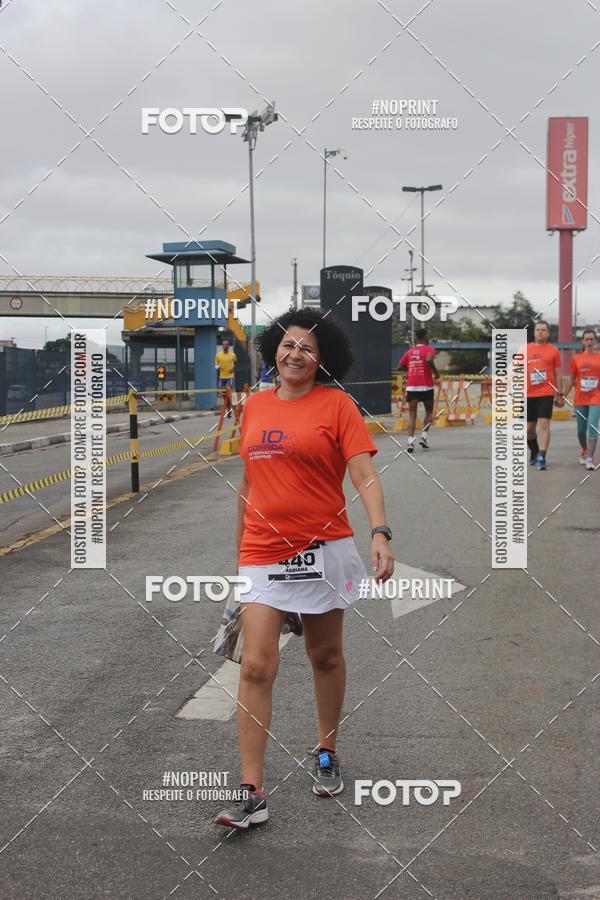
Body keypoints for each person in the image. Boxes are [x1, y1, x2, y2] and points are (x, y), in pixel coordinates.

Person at [215, 307, 395, 829]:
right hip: (263, 553)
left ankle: (326, 748)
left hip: (324, 550)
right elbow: (248, 486)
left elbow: (363, 475)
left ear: (323, 360)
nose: (296, 354)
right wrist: (240, 559)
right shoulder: (254, 406)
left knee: (325, 655)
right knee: (255, 664)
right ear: (275, 348)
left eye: (308, 349)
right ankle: (251, 789)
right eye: (289, 344)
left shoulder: (337, 405)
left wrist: (380, 531)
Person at [526, 320, 564, 471]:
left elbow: (558, 374)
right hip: (528, 394)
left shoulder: (554, 351)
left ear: (548, 333)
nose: (540, 332)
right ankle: (534, 451)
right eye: (538, 330)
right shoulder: (525, 349)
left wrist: (559, 394)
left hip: (546, 393)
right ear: (534, 332)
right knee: (529, 429)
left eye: (543, 330)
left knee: (544, 424)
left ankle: (542, 456)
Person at [397, 327, 439, 452]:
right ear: (427, 338)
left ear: (415, 338)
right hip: (426, 386)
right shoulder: (429, 349)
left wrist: (410, 370)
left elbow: (399, 367)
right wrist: (435, 373)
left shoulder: (409, 352)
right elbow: (429, 359)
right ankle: (424, 437)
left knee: (412, 415)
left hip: (412, 386)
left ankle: (410, 442)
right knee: (429, 412)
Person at [564, 328, 600, 470]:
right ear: (583, 341)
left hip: (596, 397)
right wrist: (563, 395)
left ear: (595, 341)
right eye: (587, 339)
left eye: (592, 339)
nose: (589, 342)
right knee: (580, 430)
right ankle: (585, 450)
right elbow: (572, 380)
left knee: (592, 426)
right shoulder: (576, 358)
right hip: (580, 398)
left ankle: (590, 458)